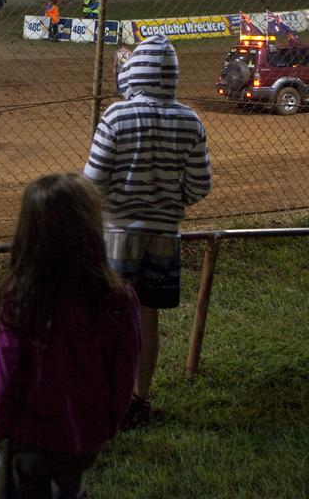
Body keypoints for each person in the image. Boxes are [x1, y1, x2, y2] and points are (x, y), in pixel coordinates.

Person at [0, 173, 142, 499]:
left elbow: (6, 380)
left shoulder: (21, 300)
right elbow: (125, 374)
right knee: (69, 485)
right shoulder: (118, 298)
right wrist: (109, 423)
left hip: (30, 438)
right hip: (86, 436)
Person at [83, 34, 212, 430]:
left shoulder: (117, 116)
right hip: (163, 234)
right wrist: (173, 202)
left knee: (107, 314)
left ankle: (105, 394)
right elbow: (200, 183)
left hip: (117, 232)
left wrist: (109, 204)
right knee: (146, 314)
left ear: (133, 73)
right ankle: (140, 398)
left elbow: (92, 179)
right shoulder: (190, 120)